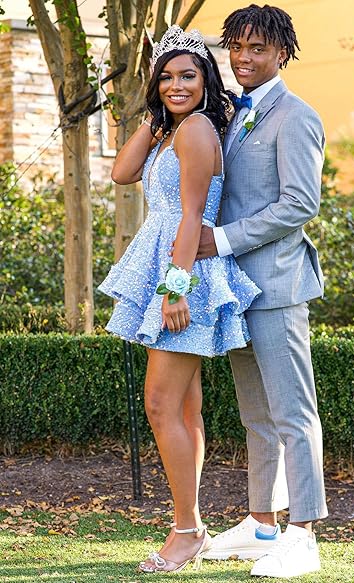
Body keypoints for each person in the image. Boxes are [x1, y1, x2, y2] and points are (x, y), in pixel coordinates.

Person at [98, 25, 260, 574]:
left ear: (206, 79)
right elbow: (122, 172)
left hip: (183, 272)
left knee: (160, 405)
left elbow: (193, 216)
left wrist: (175, 288)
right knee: (184, 408)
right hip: (174, 265)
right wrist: (154, 116)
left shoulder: (194, 131)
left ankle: (186, 530)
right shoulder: (173, 128)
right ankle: (191, 525)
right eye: (165, 78)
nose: (176, 85)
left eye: (188, 76)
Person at [197, 5, 328, 578]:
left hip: (277, 285)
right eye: (236, 47)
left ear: (282, 53)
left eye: (257, 48)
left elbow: (300, 203)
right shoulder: (232, 114)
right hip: (234, 290)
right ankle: (262, 525)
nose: (243, 58)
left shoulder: (296, 116)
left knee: (294, 414)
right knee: (256, 414)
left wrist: (222, 240)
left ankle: (303, 535)